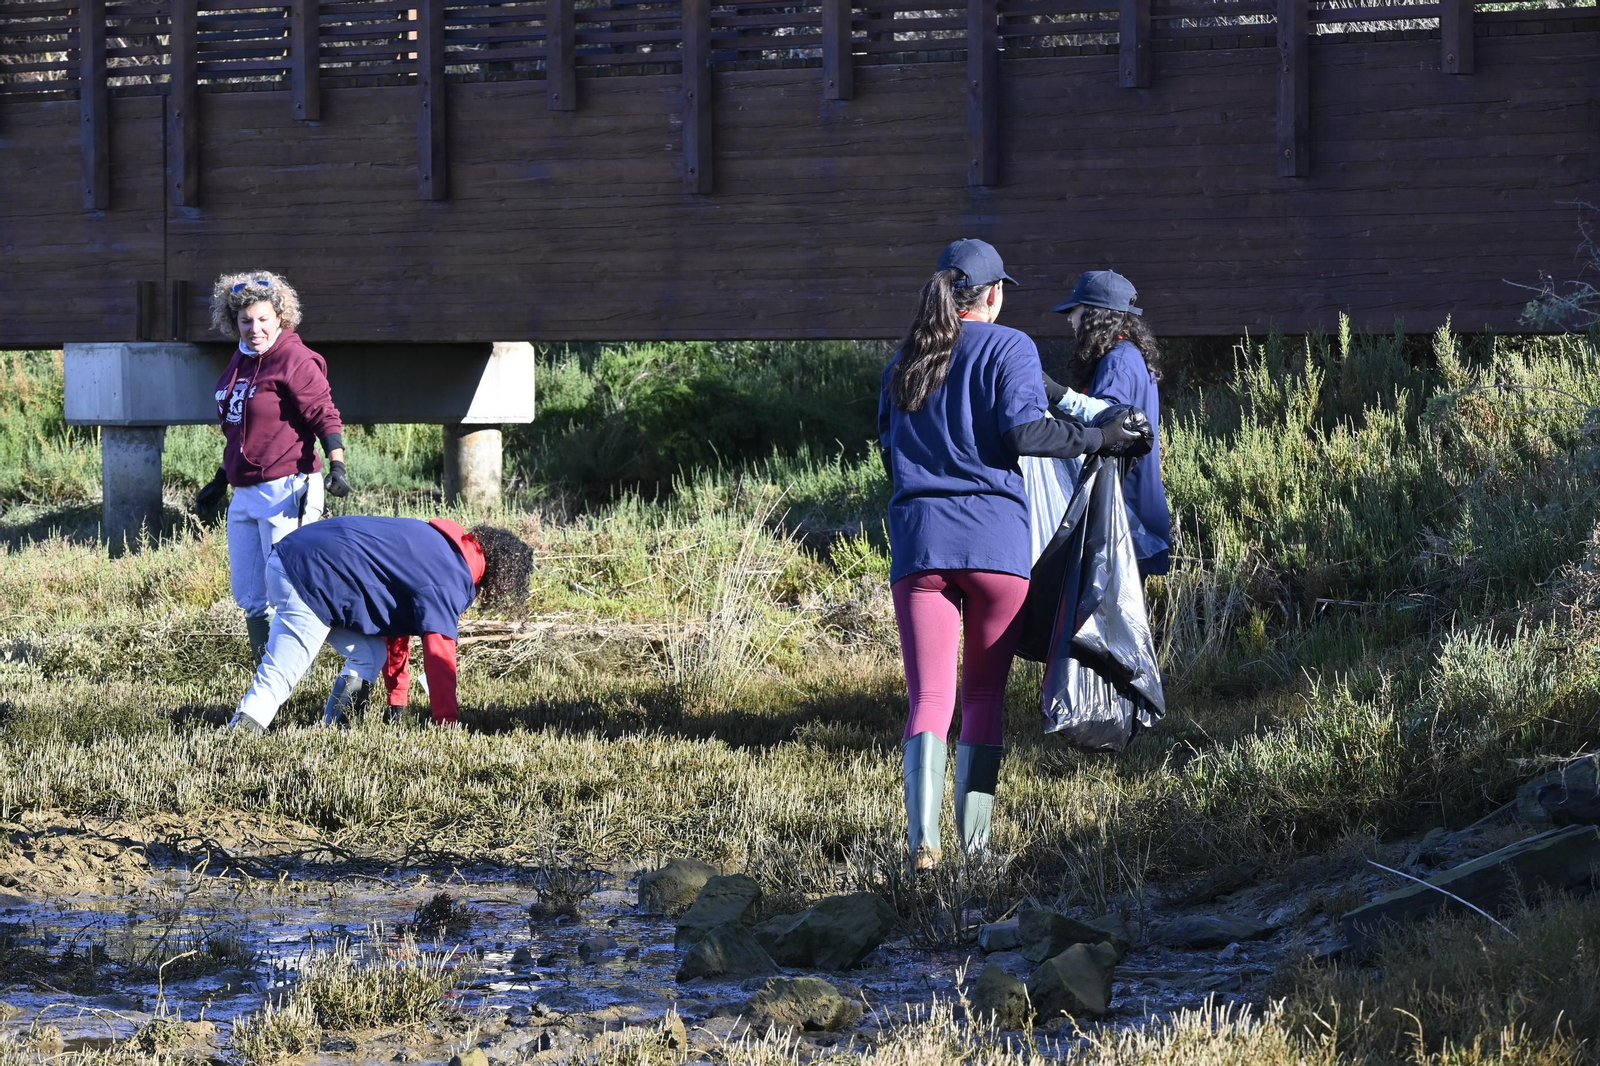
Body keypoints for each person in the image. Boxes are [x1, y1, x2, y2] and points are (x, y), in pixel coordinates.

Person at [878, 239, 1150, 870]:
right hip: (995, 547)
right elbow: (1025, 432)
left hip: (920, 545)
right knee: (981, 700)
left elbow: (889, 444)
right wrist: (1099, 436)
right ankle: (974, 850)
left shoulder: (905, 361)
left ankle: (923, 844)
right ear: (995, 294)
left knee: (928, 700)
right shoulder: (1010, 347)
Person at [226, 517, 534, 733]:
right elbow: (440, 657)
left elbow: (396, 632)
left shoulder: (441, 548)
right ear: (500, 575)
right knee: (281, 673)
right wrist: (448, 723)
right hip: (309, 572)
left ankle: (337, 728)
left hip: (296, 559)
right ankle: (239, 736)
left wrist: (397, 700)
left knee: (370, 653)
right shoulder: (449, 577)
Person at [195, 272, 352, 667]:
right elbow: (244, 431)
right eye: (246, 321)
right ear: (234, 323)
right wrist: (220, 480)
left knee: (289, 589)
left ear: (280, 316)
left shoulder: (294, 358)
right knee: (249, 594)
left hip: (288, 487)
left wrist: (337, 464)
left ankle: (356, 659)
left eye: (263, 319)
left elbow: (324, 413)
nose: (255, 329)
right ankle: (266, 672)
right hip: (246, 493)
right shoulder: (241, 359)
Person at [1054, 270, 1171, 578]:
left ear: (1095, 315)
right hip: (1138, 509)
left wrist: (1054, 392)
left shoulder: (1118, 359)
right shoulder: (1133, 355)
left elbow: (1110, 419)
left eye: (1075, 311)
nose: (1070, 320)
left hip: (1123, 511)